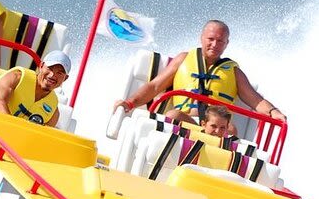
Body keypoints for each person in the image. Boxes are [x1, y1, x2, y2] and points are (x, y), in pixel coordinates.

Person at [113, 20, 286, 130]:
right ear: (202, 38)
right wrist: (130, 103)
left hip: (217, 129)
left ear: (227, 43)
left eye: (220, 41)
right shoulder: (183, 59)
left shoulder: (234, 71)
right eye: (211, 39)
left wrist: (274, 112)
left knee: (232, 130)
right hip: (187, 121)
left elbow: (255, 100)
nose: (215, 44)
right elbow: (155, 86)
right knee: (172, 115)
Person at [0, 50, 71, 127]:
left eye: (59, 73)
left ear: (65, 78)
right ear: (41, 66)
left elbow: (42, 137)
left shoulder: (54, 114)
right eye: (50, 68)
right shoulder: (15, 77)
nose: (52, 75)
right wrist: (12, 129)